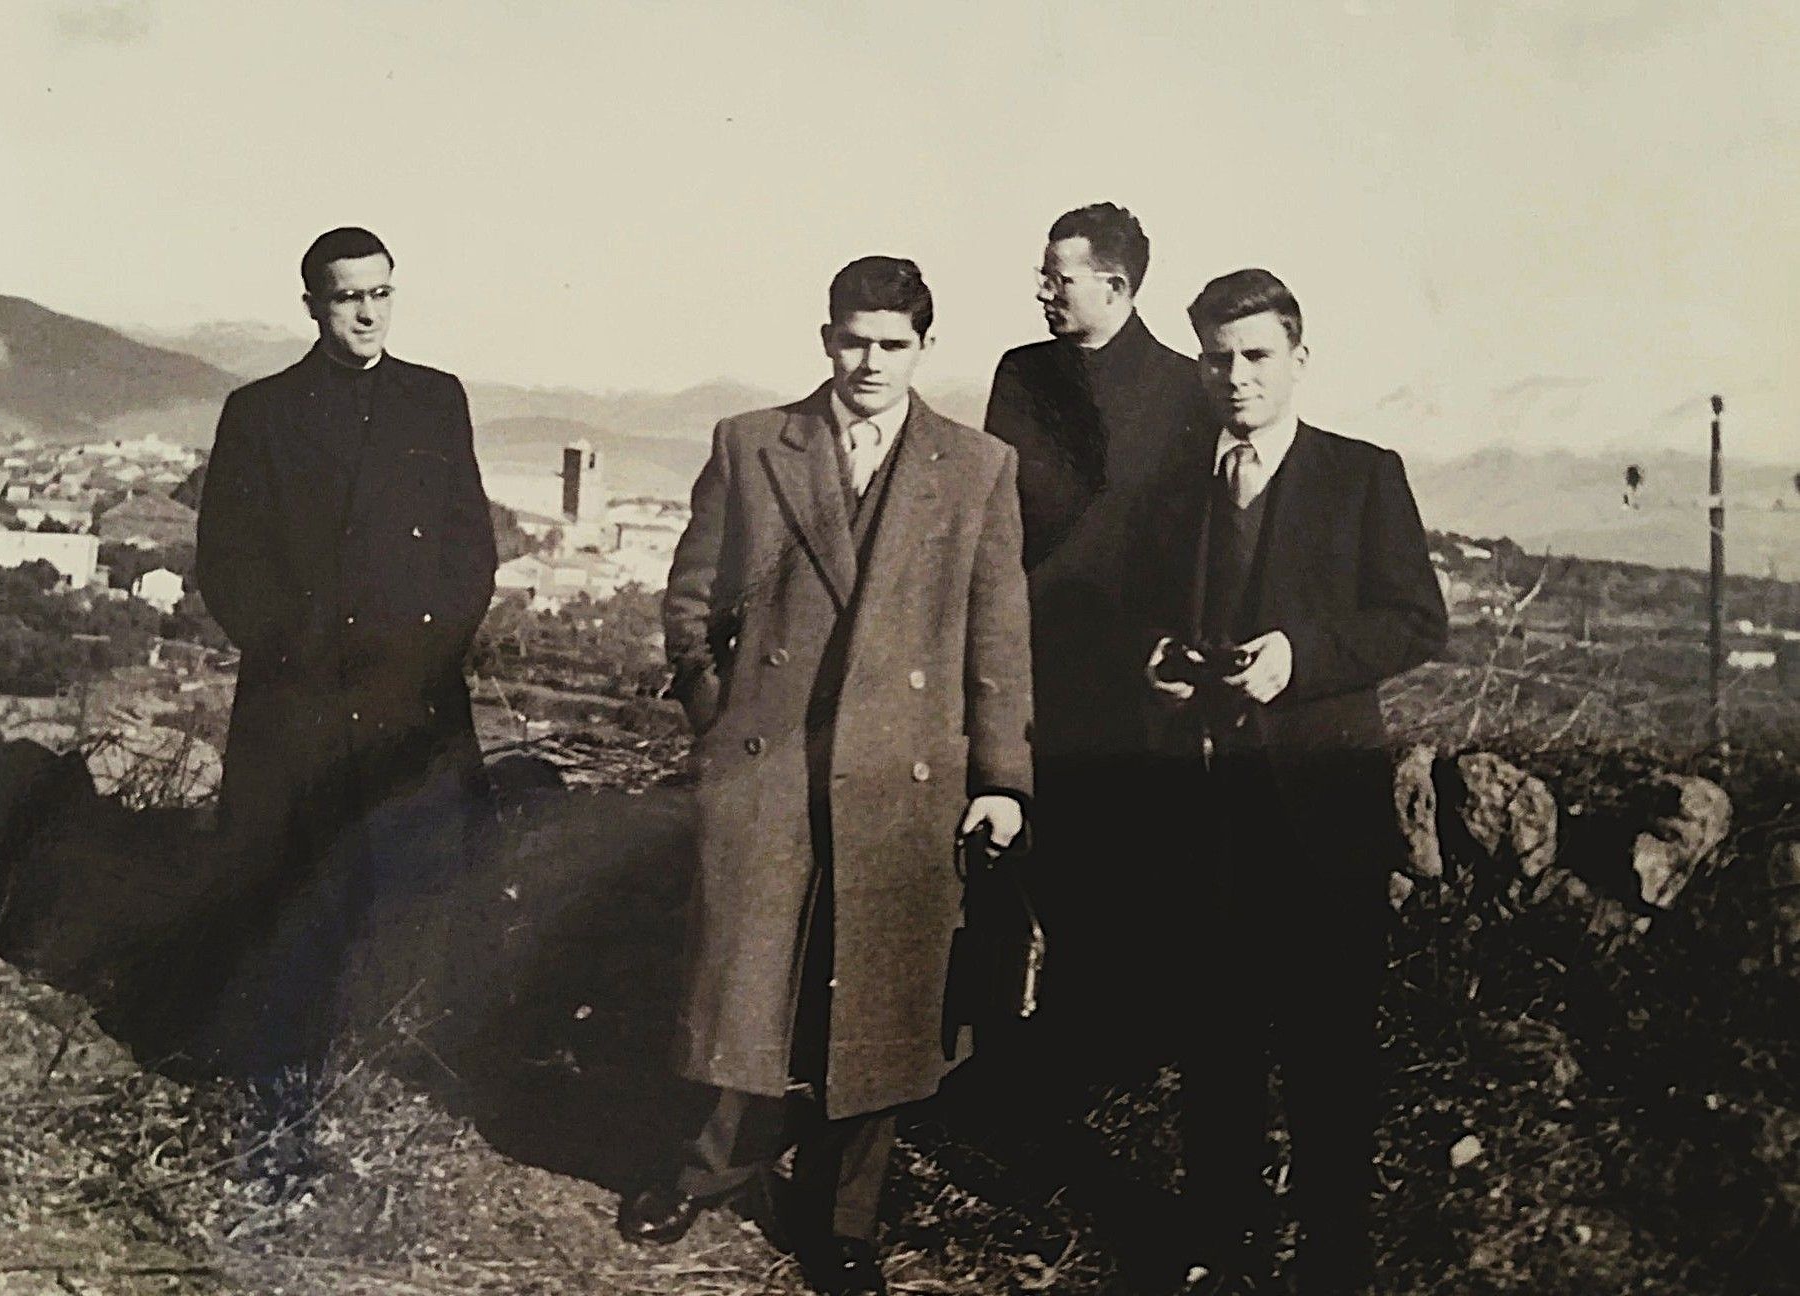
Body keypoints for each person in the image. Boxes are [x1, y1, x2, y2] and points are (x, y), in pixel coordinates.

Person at [620, 256, 1034, 1296]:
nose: (870, 362)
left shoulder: (978, 467)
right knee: (743, 976)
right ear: (825, 339)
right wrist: (723, 722)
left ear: (925, 351)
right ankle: (705, 1170)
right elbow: (692, 598)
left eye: (893, 344)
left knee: (883, 1000)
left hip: (904, 777)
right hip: (770, 763)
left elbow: (999, 638)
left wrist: (1001, 778)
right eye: (853, 340)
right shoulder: (755, 443)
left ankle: (845, 1219)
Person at [1121, 268, 1447, 1294]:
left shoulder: (1362, 475)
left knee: (1328, 1048)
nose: (1236, 378)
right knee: (1213, 1040)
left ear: (1300, 360)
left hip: (1321, 817)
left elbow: (1415, 620)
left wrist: (1298, 658)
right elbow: (1130, 611)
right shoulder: (1173, 488)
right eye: (1217, 358)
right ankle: (1224, 1241)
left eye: (1256, 356)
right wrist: (1158, 664)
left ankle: (1335, 1256)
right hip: (1200, 809)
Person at [193, 226, 497, 1168]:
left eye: (380, 294)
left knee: (416, 873)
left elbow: (469, 548)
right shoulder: (261, 411)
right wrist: (298, 654)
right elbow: (226, 561)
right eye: (345, 297)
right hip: (303, 701)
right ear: (312, 304)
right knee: (293, 887)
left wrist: (424, 653)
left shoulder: (435, 400)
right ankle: (282, 1083)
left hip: (412, 695)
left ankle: (405, 1064)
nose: (365, 313)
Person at [970, 203, 1210, 1222]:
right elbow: (997, 516)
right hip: (1027, 663)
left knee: (1115, 890)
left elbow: (1197, 535)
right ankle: (995, 1083)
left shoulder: (1185, 391)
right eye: (1044, 276)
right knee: (1019, 875)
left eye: (1060, 277)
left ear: (1116, 286)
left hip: (1134, 685)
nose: (1043, 291)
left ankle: (1075, 1095)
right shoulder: (1021, 375)